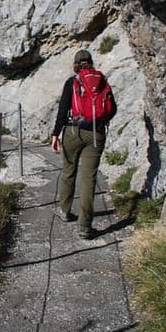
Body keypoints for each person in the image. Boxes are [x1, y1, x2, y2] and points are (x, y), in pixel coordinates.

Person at [51, 49, 117, 239]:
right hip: (96, 134)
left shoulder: (73, 82)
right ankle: (85, 227)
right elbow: (112, 109)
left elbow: (63, 110)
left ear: (76, 64)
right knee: (88, 178)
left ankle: (65, 211)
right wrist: (99, 121)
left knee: (68, 170)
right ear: (91, 62)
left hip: (73, 131)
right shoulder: (102, 81)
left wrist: (56, 134)